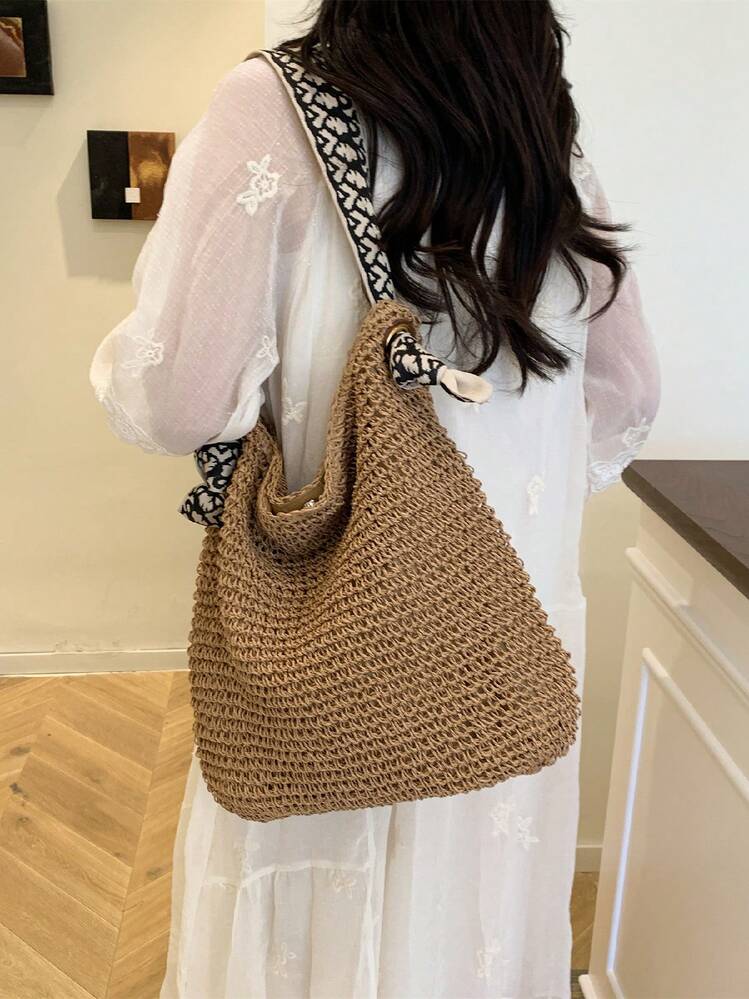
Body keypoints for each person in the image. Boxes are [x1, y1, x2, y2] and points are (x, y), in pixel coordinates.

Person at [90, 2, 660, 996]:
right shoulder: (537, 126)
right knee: (471, 908)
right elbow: (627, 394)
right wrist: (496, 496)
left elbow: (179, 400)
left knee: (317, 894)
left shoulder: (272, 106)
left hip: (336, 632)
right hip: (504, 628)